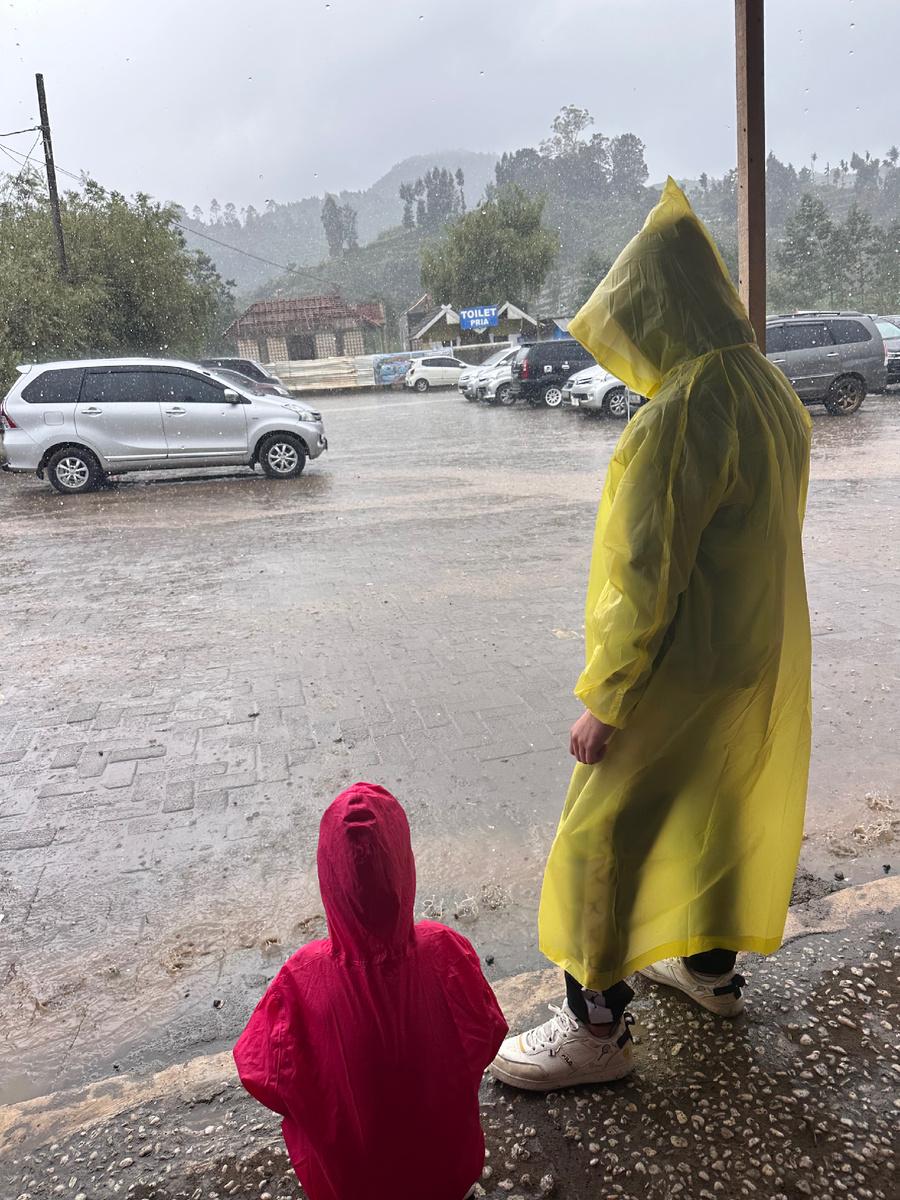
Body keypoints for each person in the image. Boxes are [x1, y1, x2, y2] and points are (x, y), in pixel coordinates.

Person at [490, 179, 812, 1091]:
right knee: (722, 813)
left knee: (600, 835)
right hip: (755, 657)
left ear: (657, 313)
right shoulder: (770, 390)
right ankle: (711, 974)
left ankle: (596, 1029)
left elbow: (644, 577)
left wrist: (609, 699)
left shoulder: (679, 415)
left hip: (678, 671)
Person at [234, 782, 508, 1199]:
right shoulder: (447, 951)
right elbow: (487, 1032)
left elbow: (262, 1075)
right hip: (447, 1177)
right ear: (405, 865)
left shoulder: (299, 980)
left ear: (327, 875)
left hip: (350, 1186)